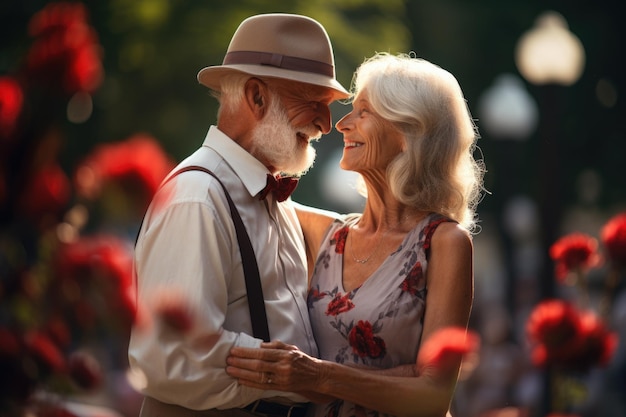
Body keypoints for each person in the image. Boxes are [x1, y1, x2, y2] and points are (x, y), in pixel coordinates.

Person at [225, 52, 486, 417]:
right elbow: (236, 183)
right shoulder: (324, 232)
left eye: (365, 112)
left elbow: (433, 396)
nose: (343, 124)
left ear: (410, 134)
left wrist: (319, 376)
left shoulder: (445, 243)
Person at [128, 13, 349, 416]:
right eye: (313, 101)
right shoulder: (197, 197)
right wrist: (290, 375)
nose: (326, 124)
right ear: (257, 96)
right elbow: (170, 359)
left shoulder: (268, 194)